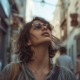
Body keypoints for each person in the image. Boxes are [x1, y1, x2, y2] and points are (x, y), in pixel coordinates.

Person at [0, 17, 76, 80]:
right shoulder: (10, 72)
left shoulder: (66, 75)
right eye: (37, 26)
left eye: (47, 26)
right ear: (27, 41)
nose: (45, 27)